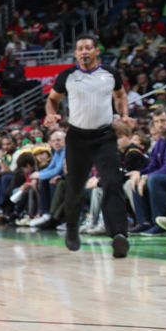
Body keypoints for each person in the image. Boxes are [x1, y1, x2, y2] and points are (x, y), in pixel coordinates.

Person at [44, 34, 132, 257]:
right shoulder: (68, 76)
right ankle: (72, 228)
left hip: (104, 136)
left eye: (87, 48)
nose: (83, 52)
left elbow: (120, 95)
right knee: (75, 187)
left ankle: (119, 235)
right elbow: (52, 99)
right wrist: (51, 114)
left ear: (96, 52)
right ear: (75, 54)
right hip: (77, 138)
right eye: (80, 49)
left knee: (112, 181)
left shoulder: (110, 74)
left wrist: (124, 114)